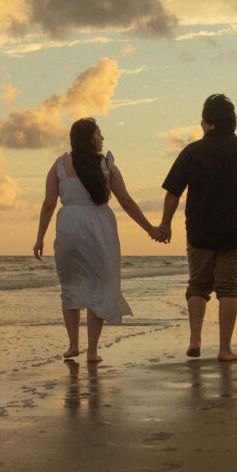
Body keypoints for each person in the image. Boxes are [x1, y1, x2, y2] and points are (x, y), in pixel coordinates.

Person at [34, 118, 164, 363]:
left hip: (68, 227)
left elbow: (49, 204)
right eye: (98, 134)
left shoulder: (59, 166)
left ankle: (73, 346)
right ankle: (92, 351)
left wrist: (40, 237)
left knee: (70, 284)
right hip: (99, 227)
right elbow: (126, 202)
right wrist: (150, 229)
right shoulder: (106, 166)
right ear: (89, 138)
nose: (102, 138)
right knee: (99, 285)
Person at [159, 94, 237, 362]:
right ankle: (224, 349)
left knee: (198, 286)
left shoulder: (192, 151)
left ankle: (195, 339)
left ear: (206, 122)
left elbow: (172, 193)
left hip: (200, 231)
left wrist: (165, 224)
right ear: (232, 122)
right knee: (228, 289)